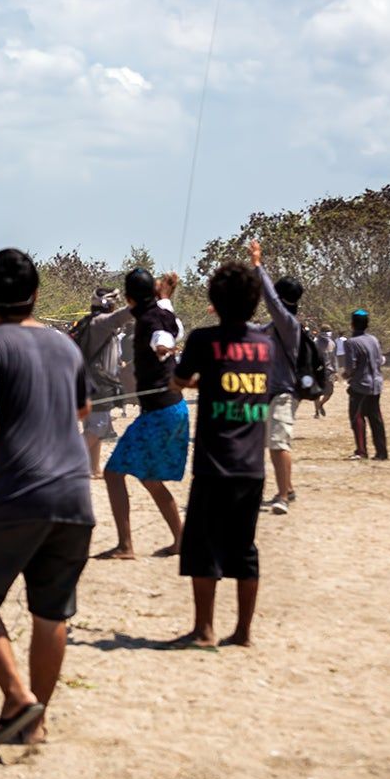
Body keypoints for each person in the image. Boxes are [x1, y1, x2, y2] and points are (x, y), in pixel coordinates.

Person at [0, 249, 92, 748]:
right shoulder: (66, 347)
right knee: (52, 611)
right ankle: (36, 722)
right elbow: (83, 409)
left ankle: (19, 695)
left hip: (15, 490)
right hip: (75, 491)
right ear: (35, 294)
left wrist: (4, 452)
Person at [169, 262, 274, 649]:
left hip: (214, 462)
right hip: (251, 466)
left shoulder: (202, 340)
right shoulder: (266, 345)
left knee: (203, 545)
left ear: (213, 301)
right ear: (254, 302)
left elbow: (180, 381)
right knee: (244, 547)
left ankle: (204, 630)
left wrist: (193, 380)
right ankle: (244, 632)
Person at [98, 268, 186, 560]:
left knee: (112, 473)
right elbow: (167, 316)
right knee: (149, 477)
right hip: (172, 408)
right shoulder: (162, 310)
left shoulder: (150, 321)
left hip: (159, 412)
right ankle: (181, 539)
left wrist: (163, 348)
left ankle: (125, 546)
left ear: (128, 298)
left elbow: (161, 337)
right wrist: (166, 296)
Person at [249, 241, 303, 516]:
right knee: (273, 445)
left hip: (283, 392)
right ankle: (288, 488)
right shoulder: (275, 327)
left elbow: (270, 301)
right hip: (270, 391)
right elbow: (252, 330)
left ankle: (282, 496)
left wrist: (258, 266)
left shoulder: (288, 324)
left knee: (279, 444)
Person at [75, 288, 132, 478]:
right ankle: (63, 458)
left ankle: (94, 469)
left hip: (88, 382)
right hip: (97, 383)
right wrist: (146, 298)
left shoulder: (91, 322)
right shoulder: (101, 322)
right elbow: (124, 315)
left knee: (93, 426)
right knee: (99, 426)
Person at [343, 309, 389, 460]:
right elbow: (379, 360)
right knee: (376, 419)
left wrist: (346, 375)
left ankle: (361, 451)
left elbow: (351, 367)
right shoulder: (374, 340)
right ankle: (382, 452)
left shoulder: (351, 343)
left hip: (360, 385)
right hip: (376, 384)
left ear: (352, 324)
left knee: (357, 418)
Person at [313, 326, 337, 419]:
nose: (328, 333)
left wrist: (335, 371)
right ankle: (316, 412)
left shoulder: (332, 343)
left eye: (329, 331)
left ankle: (320, 404)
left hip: (329, 371)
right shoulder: (316, 343)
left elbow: (334, 358)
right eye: (326, 331)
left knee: (329, 392)